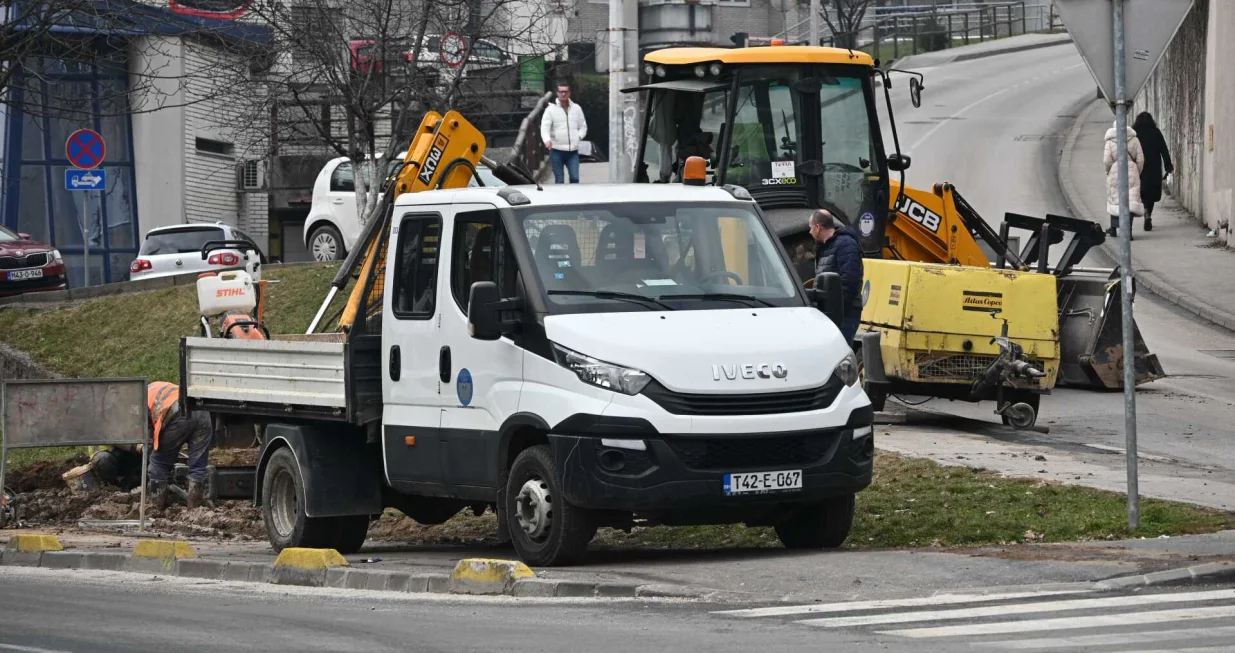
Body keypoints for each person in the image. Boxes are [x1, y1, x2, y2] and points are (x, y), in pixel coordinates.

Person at [146, 381, 214, 509]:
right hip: (202, 412)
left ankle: (156, 507)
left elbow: (148, 433)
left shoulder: (138, 399)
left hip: (179, 412)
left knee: (158, 462)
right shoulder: (156, 387)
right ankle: (194, 508)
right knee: (198, 467)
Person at [810, 209, 864, 345]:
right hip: (830, 313)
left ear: (817, 228)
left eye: (810, 228)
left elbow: (849, 282)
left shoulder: (846, 245)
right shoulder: (825, 247)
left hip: (844, 314)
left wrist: (835, 309)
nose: (809, 232)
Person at [1132, 112, 1174, 232]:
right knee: (1151, 192)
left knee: (1142, 191)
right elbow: (1164, 150)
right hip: (1154, 168)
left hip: (1139, 167)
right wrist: (1168, 165)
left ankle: (1143, 209)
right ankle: (1148, 213)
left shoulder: (1135, 134)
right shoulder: (1156, 133)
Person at [1103, 120, 1145, 239]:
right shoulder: (1134, 140)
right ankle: (1128, 231)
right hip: (1132, 169)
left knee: (1115, 200)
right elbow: (1141, 159)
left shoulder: (1110, 141)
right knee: (1130, 201)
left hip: (1115, 170)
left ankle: (1113, 228)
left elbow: (1106, 161)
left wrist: (1109, 171)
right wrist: (1137, 171)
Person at [540, 82, 588, 184]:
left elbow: (583, 126)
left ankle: (574, 199)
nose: (563, 94)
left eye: (565, 91)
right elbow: (545, 128)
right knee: (559, 180)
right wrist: (547, 140)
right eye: (561, 92)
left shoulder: (577, 108)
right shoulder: (550, 110)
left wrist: (578, 136)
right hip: (557, 150)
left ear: (569, 93)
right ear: (557, 93)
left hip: (573, 151)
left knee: (575, 178)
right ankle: (561, 199)